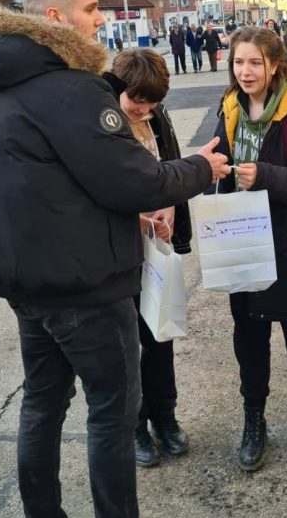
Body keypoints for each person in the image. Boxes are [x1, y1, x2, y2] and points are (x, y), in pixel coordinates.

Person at [0, 0, 230, 518]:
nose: (101, 20)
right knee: (113, 413)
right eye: (92, 9)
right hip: (84, 286)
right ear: (56, 16)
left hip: (24, 283)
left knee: (43, 403)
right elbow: (135, 181)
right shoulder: (72, 90)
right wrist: (202, 167)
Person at [209, 26, 287, 472]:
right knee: (249, 338)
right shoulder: (228, 108)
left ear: (275, 64)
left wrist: (263, 175)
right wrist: (207, 169)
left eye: (255, 62)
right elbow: (213, 162)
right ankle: (254, 419)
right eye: (239, 62)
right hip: (241, 241)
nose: (245, 71)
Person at [103, 48, 195, 468]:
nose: (144, 109)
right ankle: (136, 424)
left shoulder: (157, 119)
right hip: (118, 253)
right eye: (137, 101)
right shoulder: (101, 124)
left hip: (156, 247)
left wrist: (171, 205)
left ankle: (165, 417)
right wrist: (136, 218)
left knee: (160, 334)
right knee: (128, 347)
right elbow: (98, 191)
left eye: (153, 102)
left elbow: (169, 170)